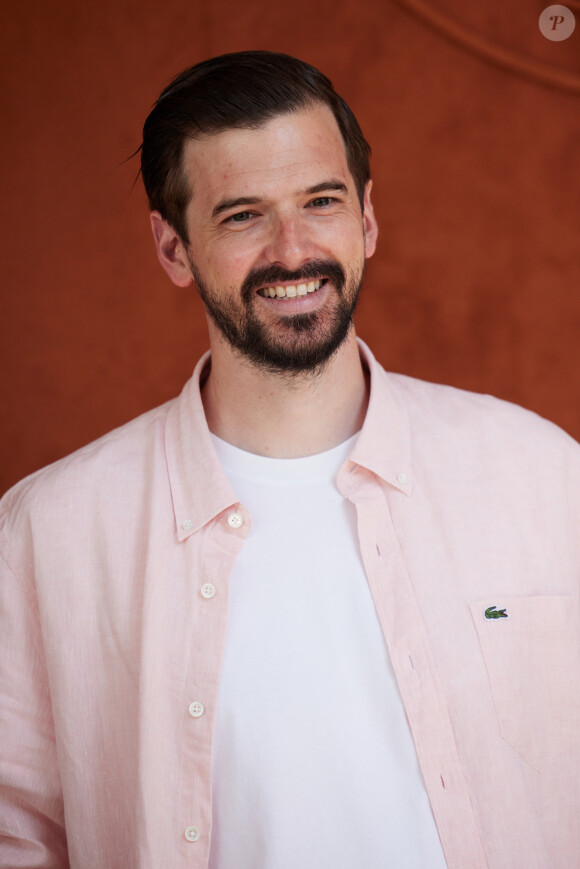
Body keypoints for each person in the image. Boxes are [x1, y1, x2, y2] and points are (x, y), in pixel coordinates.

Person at [1, 50, 579, 869]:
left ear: (367, 220)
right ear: (173, 249)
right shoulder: (47, 533)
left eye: (321, 202)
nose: (293, 249)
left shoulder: (542, 474)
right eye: (243, 215)